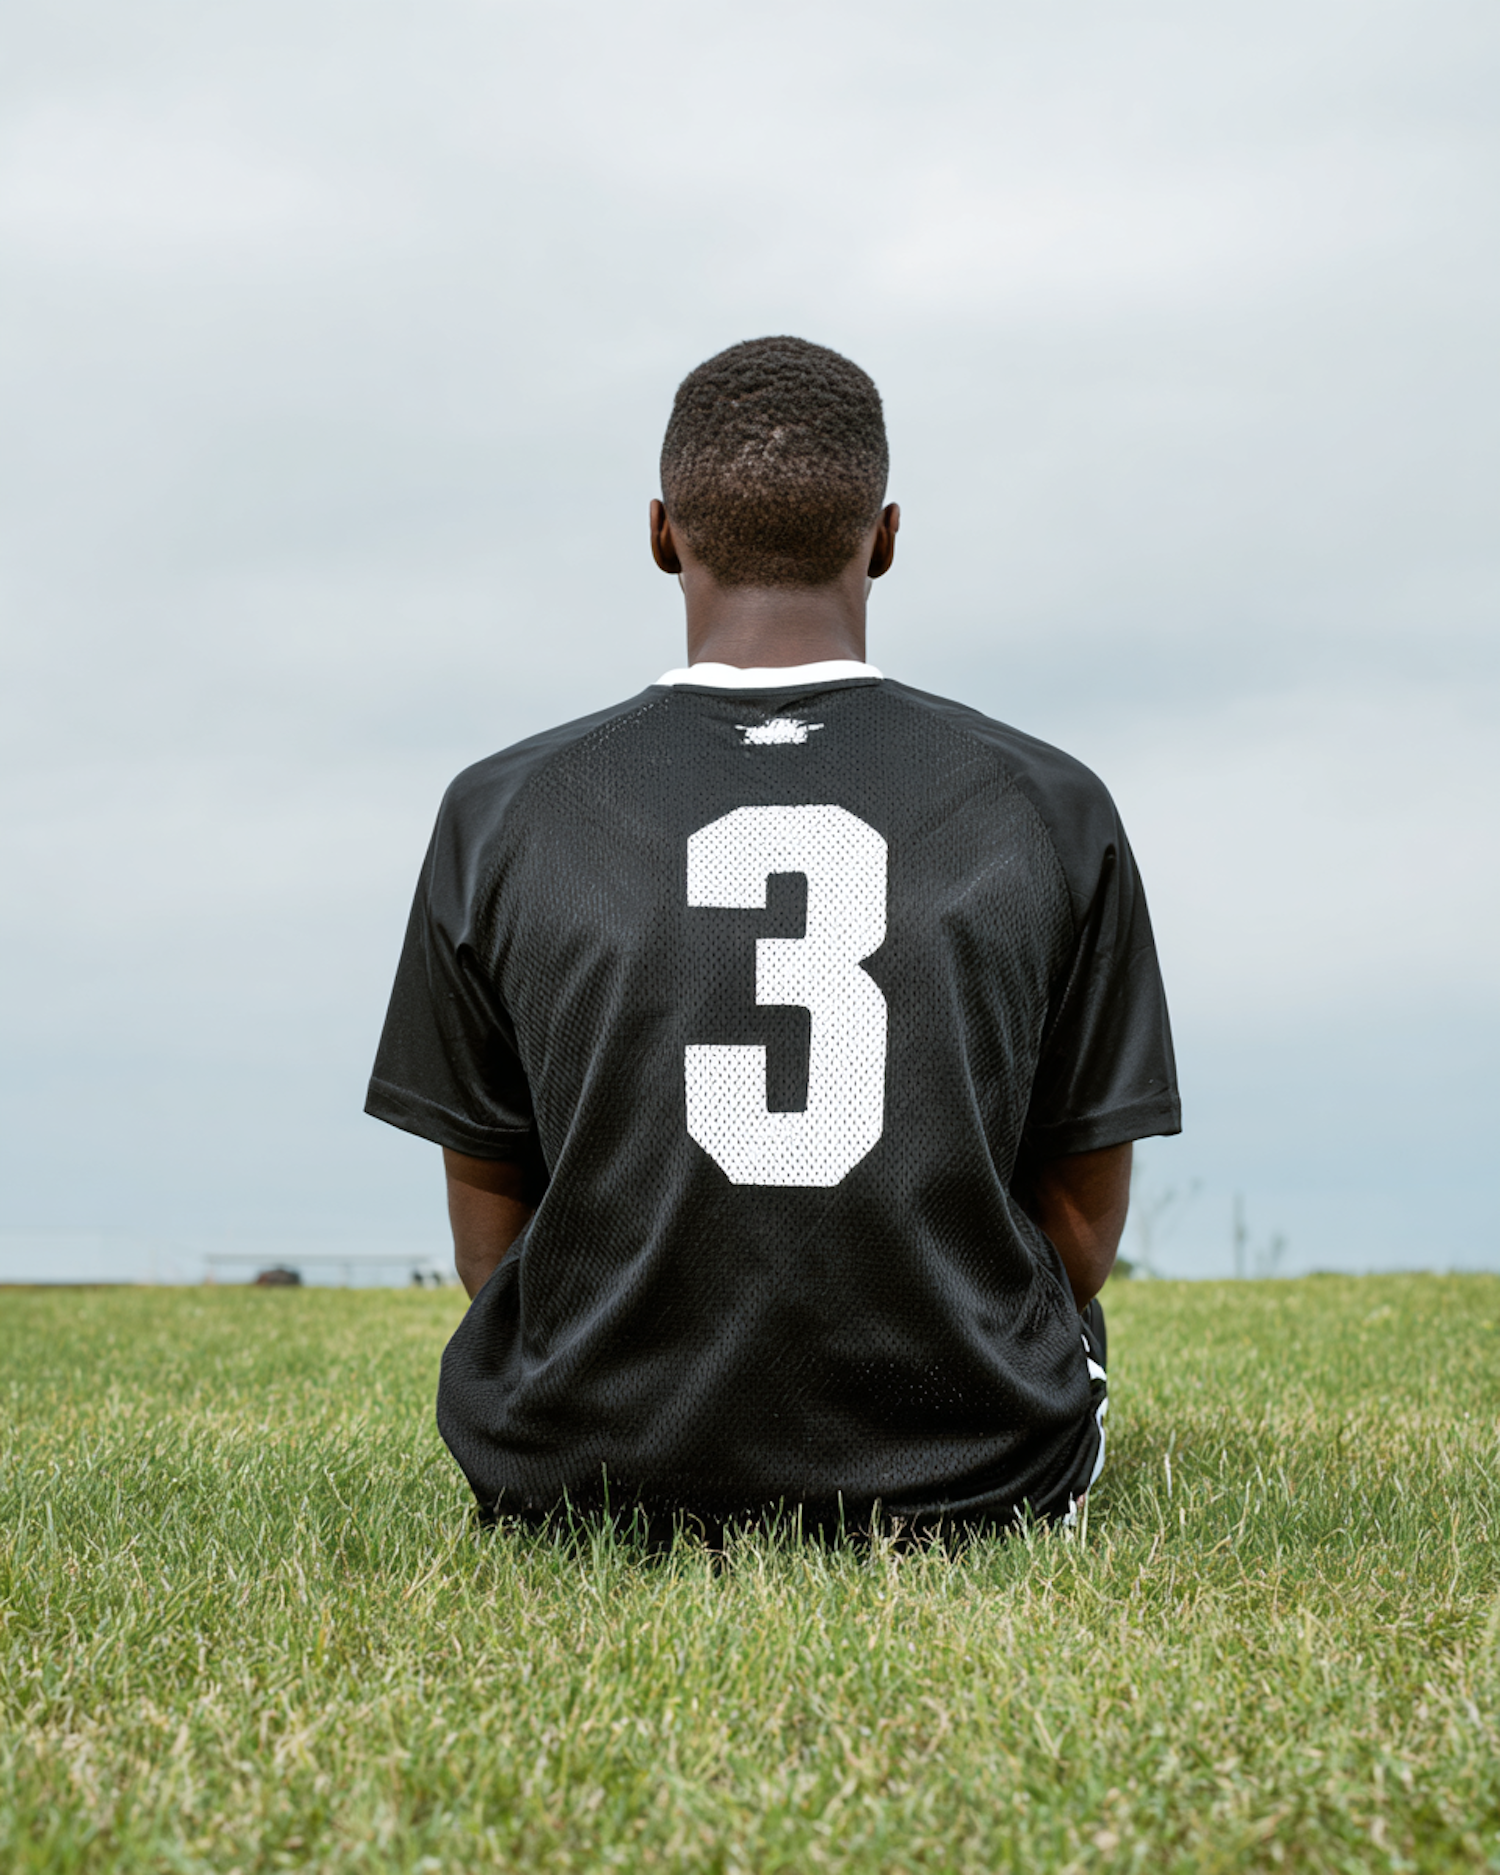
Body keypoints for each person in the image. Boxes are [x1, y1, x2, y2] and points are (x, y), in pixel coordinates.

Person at [366, 335, 1180, 1541]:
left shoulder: (502, 810)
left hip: (578, 1481)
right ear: (886, 537)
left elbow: (493, 1245)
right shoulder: (1048, 805)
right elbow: (1082, 1240)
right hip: (967, 1477)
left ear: (660, 533)